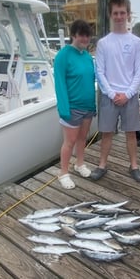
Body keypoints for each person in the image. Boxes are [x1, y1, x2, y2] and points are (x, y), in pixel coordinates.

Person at [91, 0, 140, 182]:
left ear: (128, 14)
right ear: (110, 15)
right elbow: (100, 72)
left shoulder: (137, 42)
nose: (119, 16)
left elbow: (139, 71)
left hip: (129, 97)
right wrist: (113, 94)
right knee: (106, 134)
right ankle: (102, 165)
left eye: (123, 12)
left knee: (131, 134)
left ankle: (134, 166)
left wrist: (128, 94)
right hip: (109, 97)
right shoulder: (103, 43)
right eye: (116, 13)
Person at [54, 19, 96, 189]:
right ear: (73, 35)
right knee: (69, 142)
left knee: (82, 139)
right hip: (72, 107)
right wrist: (64, 109)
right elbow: (59, 84)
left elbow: (90, 81)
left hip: (87, 106)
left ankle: (80, 164)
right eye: (82, 35)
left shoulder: (87, 56)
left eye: (88, 36)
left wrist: (93, 105)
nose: (85, 39)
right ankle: (63, 172)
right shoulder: (63, 55)